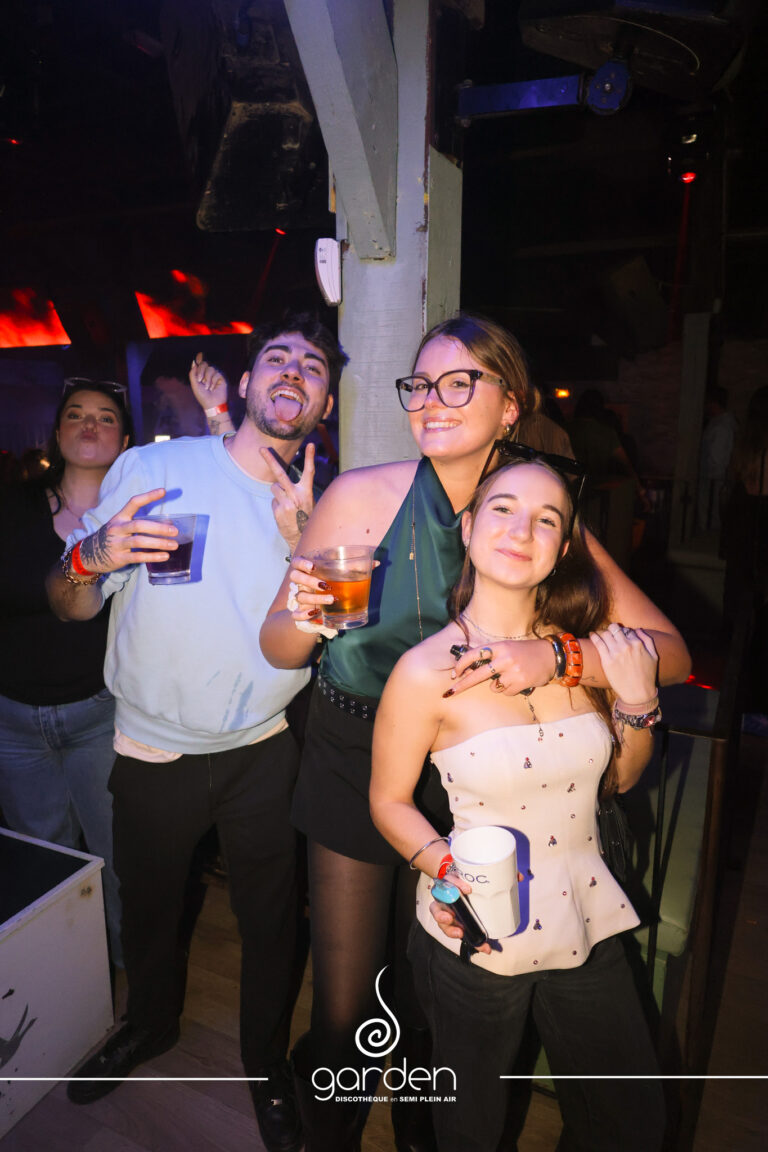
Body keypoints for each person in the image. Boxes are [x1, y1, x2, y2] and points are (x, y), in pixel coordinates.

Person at [259, 313, 689, 1150]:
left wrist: (556, 657)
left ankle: (427, 1126)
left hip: (478, 780)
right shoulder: (360, 496)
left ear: (510, 405)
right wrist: (306, 619)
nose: (434, 400)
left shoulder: (532, 514)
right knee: (347, 1003)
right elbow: (277, 645)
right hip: (356, 757)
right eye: (421, 384)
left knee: (435, 990)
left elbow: (666, 652)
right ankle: (326, 1125)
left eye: (461, 383)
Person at [46, 313, 346, 1152]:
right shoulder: (157, 468)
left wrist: (308, 545)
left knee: (272, 922)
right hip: (152, 748)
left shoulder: (329, 505)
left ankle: (264, 1062)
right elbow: (68, 605)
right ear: (247, 384)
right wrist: (91, 557)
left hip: (263, 747)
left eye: (313, 366)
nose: (293, 372)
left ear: (324, 402)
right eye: (277, 358)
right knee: (148, 911)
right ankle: (150, 1024)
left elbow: (341, 641)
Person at [370, 457, 665, 1152]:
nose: (521, 529)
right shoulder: (425, 670)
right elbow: (387, 801)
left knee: (632, 1122)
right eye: (502, 509)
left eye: (547, 519)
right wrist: (448, 871)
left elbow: (621, 779)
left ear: (562, 550)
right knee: (470, 1128)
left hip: (587, 916)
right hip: (478, 935)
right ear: (469, 527)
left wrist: (639, 699)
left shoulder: (581, 652)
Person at [0, 379, 133, 965]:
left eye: (105, 417)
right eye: (76, 415)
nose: (89, 424)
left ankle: (128, 977)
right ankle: (70, 983)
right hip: (13, 721)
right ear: (57, 434)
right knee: (47, 863)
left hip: (98, 714)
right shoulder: (13, 506)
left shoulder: (136, 518)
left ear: (124, 441)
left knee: (118, 856)